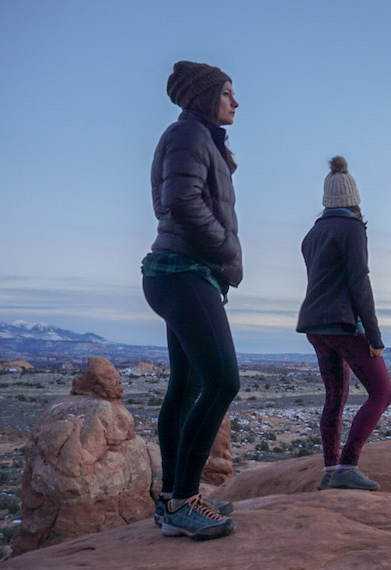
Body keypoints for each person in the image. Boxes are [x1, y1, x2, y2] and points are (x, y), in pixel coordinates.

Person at [141, 61, 241, 541]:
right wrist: (223, 245)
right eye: (227, 93)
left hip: (178, 273)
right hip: (183, 273)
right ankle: (183, 500)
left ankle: (169, 500)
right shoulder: (190, 135)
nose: (235, 102)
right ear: (205, 97)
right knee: (222, 381)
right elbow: (182, 199)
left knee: (184, 387)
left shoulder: (196, 136)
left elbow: (177, 199)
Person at [297, 156, 391, 491]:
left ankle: (329, 470)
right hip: (341, 324)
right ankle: (348, 465)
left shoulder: (312, 234)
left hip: (314, 324)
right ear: (354, 199)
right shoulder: (352, 228)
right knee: (382, 392)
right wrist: (374, 335)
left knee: (335, 396)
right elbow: (359, 283)